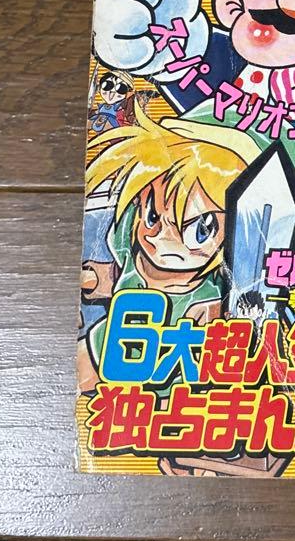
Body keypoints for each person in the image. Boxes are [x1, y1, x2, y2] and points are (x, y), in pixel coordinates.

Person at [77, 105, 260, 392]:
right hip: (116, 342)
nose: (163, 239)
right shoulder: (131, 241)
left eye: (201, 230)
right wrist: (91, 281)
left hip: (164, 372)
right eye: (153, 216)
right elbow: (119, 275)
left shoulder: (208, 294)